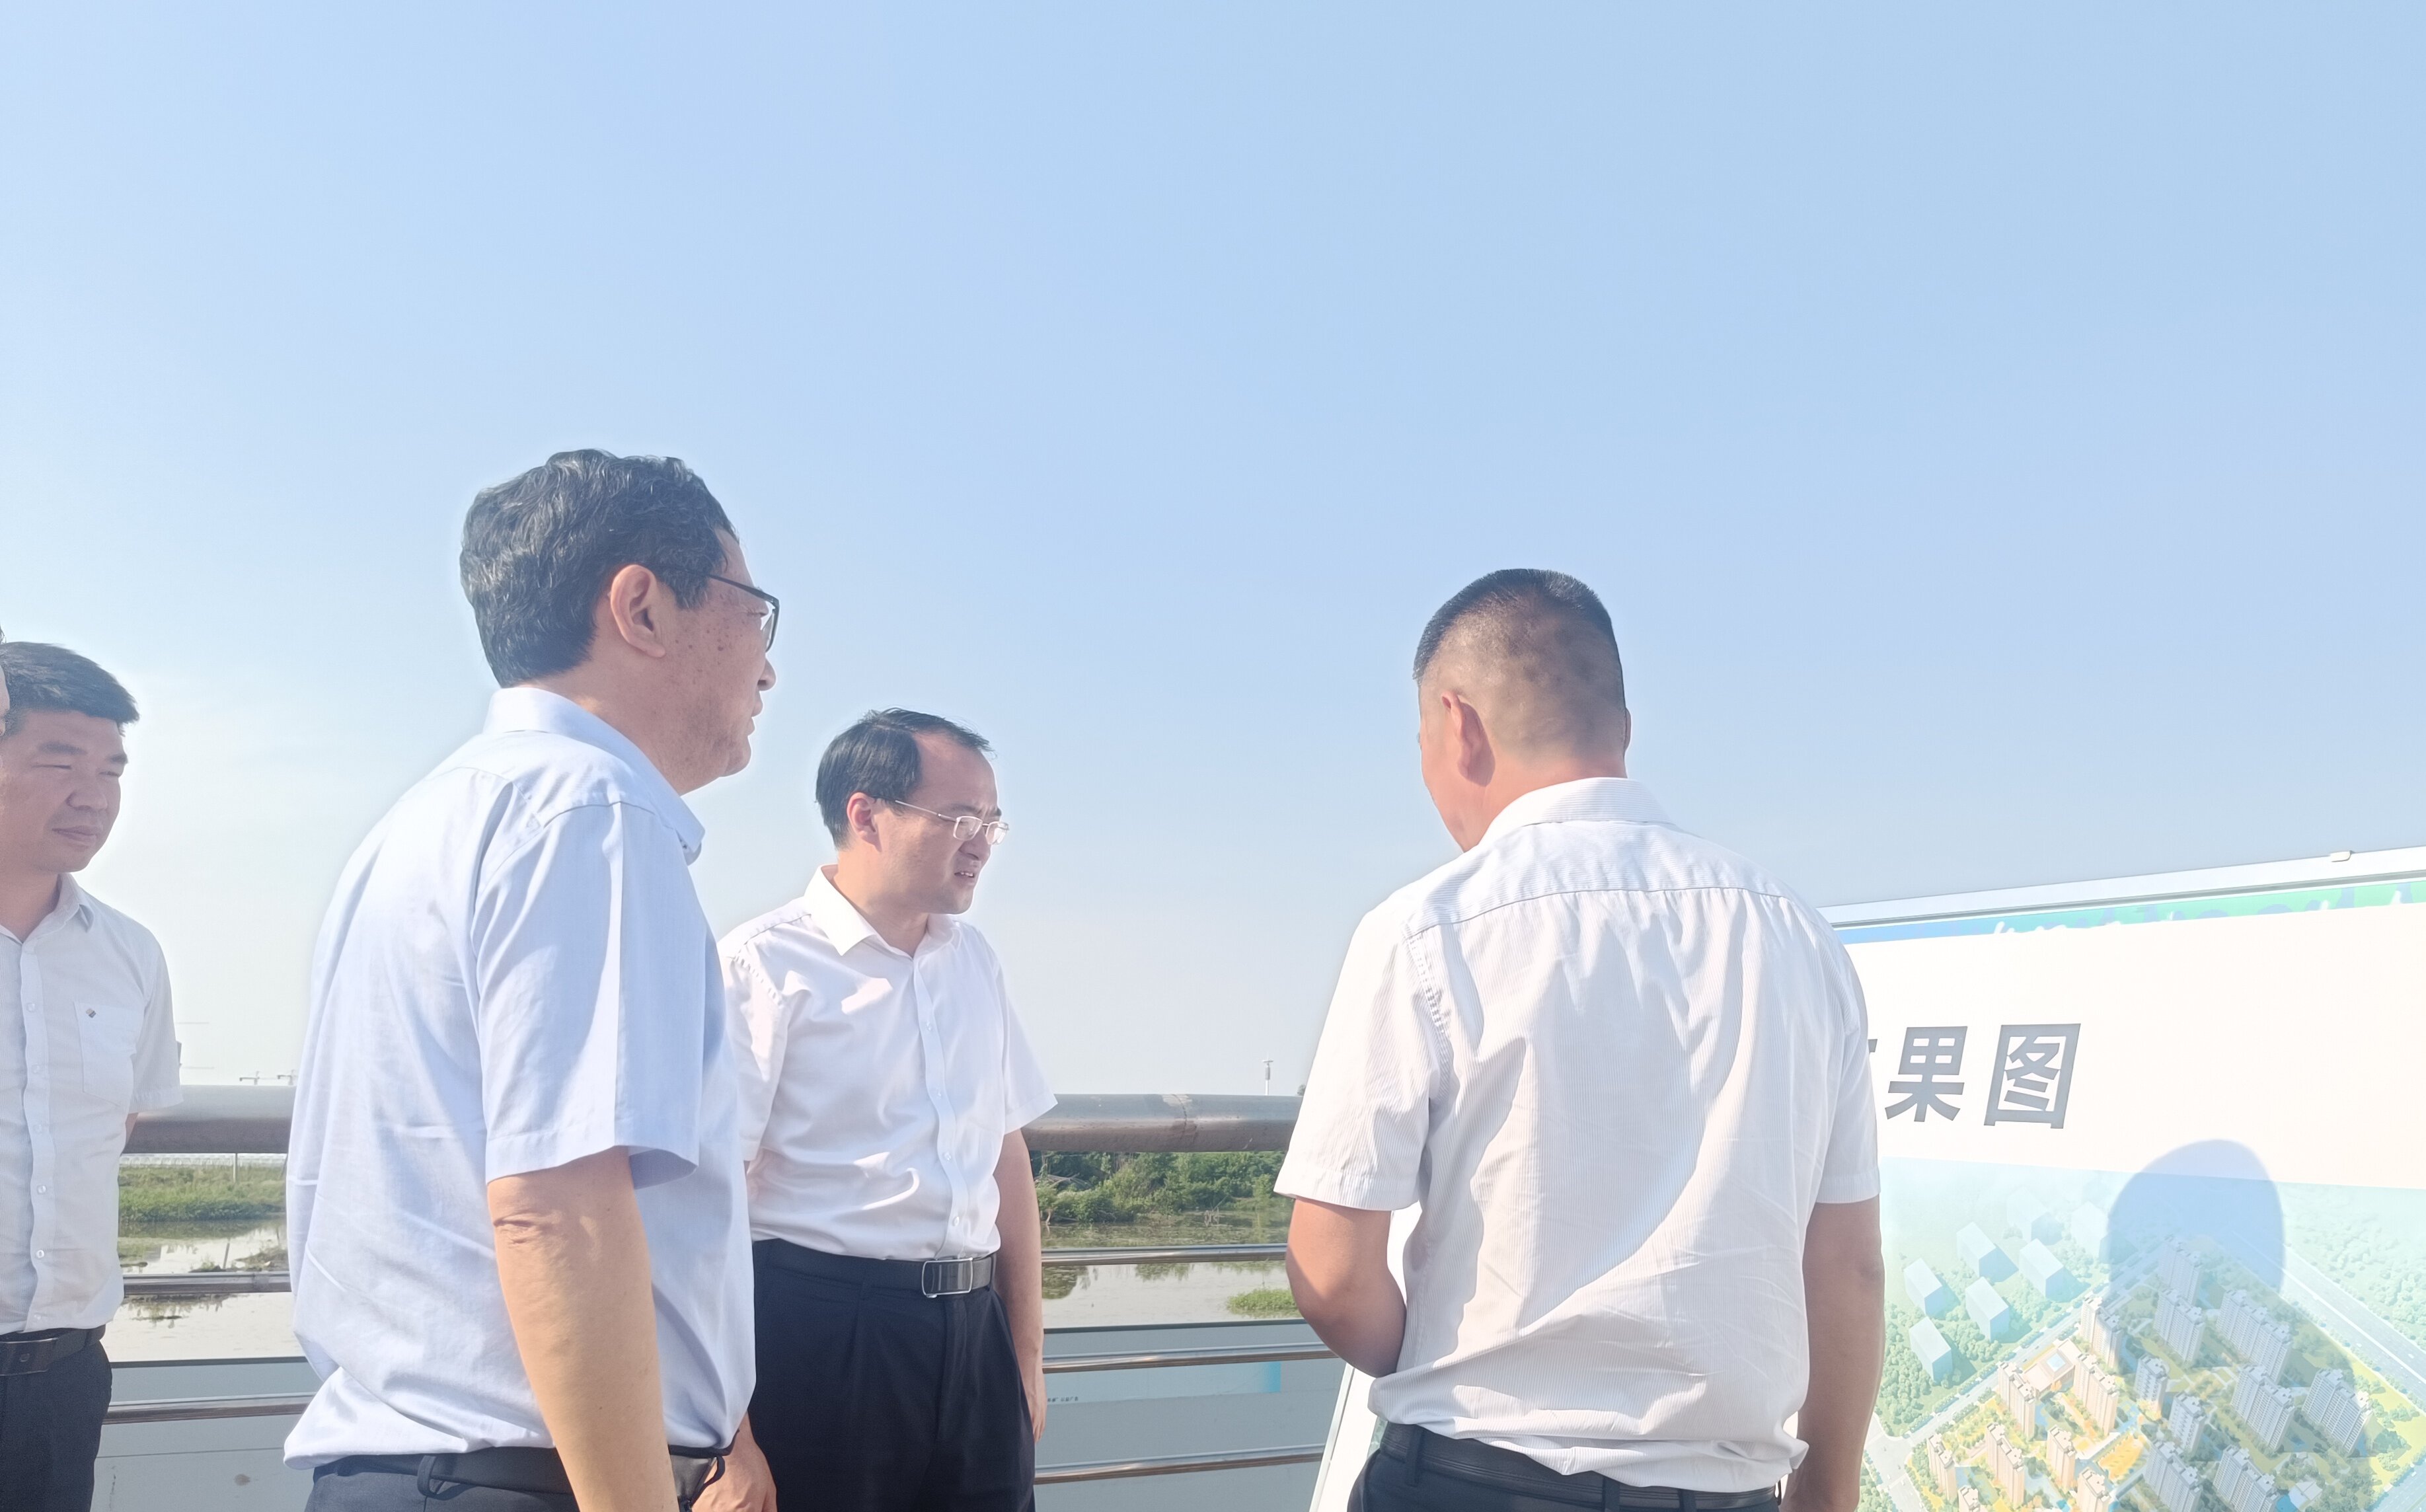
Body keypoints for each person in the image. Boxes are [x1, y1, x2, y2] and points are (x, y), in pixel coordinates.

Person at [1279, 569, 1886, 1512]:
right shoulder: (1796, 936)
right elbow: (1845, 1263)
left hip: (1471, 1479)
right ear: (1622, 727)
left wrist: (1455, 1364)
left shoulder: (1426, 928)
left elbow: (1329, 1269)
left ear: (1456, 725)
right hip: (1722, 1491)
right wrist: (1824, 1494)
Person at [284, 450, 780, 1512]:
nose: (767, 667)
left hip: (418, 1468)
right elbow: (557, 1210)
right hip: (525, 1478)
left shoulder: (434, 815)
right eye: (754, 612)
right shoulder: (592, 813)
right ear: (641, 607)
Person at [705, 709, 1054, 1512]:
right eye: (959, 818)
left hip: (975, 1336)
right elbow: (703, 1202)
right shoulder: (765, 965)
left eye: (991, 822)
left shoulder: (973, 961)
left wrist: (1025, 1357)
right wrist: (730, 1434)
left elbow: (1005, 1157)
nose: (980, 843)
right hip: (824, 1331)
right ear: (865, 815)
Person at [0, 642, 182, 1512]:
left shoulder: (129, 955)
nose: (93, 795)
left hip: (62, 1381)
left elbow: (118, 1128)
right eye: (58, 761)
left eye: (110, 770)